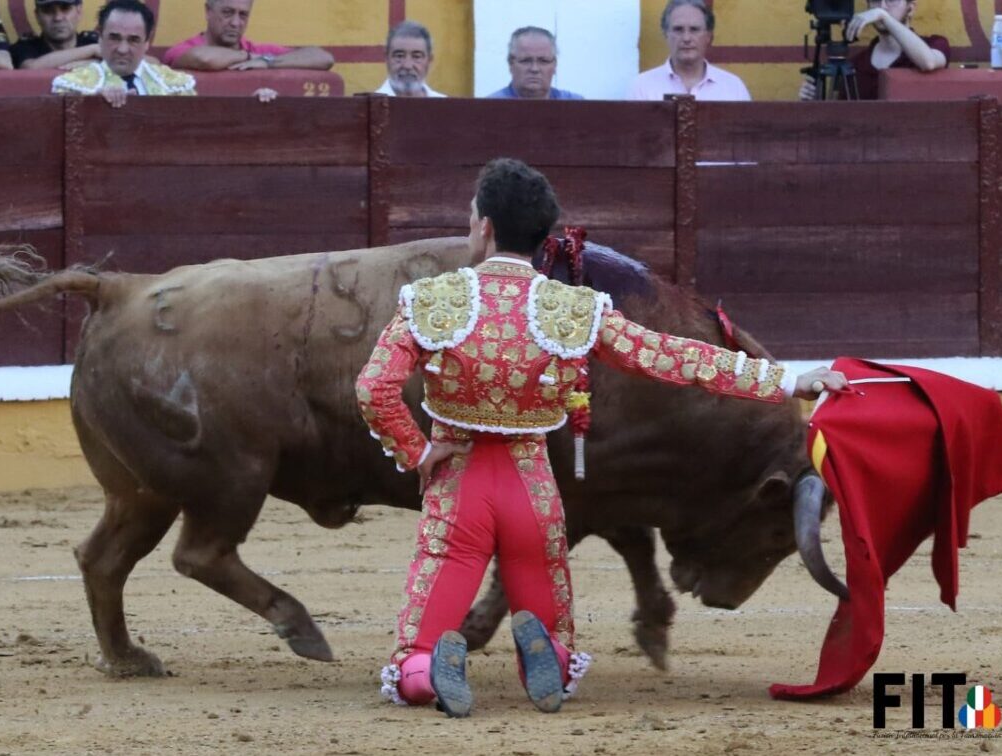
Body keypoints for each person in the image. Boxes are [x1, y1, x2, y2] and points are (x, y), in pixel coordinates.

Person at [356, 158, 847, 717]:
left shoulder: (432, 300)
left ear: (485, 227)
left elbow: (374, 389)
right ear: (541, 236)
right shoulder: (572, 310)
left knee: (420, 640)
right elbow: (672, 358)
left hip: (459, 486)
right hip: (531, 489)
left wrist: (417, 450)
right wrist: (789, 382)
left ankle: (426, 673)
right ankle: (551, 660)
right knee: (544, 603)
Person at [53, 0, 275, 107]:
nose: (122, 49)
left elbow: (205, 126)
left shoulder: (174, 84)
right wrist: (92, 105)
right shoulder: (73, 85)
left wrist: (251, 106)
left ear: (147, 43)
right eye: (114, 38)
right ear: (99, 37)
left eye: (133, 40)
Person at [798, 0, 949, 101]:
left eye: (891, 0)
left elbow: (928, 62)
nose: (882, 6)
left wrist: (884, 17)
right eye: (875, 0)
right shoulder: (855, 65)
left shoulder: (935, 43)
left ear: (911, 8)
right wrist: (814, 103)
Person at [162, 0, 334, 72]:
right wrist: (250, 57)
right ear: (208, 12)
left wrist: (267, 62)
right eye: (227, 12)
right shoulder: (183, 49)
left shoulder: (260, 51)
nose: (236, 23)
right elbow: (204, 59)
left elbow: (323, 58)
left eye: (243, 15)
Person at [628, 0, 749, 101]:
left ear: (708, 36)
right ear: (666, 34)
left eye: (694, 29)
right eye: (678, 29)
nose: (686, 38)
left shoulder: (733, 88)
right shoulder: (642, 87)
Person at [486, 26, 582, 100]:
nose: (534, 69)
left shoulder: (576, 106)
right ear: (510, 64)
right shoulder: (489, 108)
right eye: (525, 61)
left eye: (543, 61)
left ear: (555, 65)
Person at [11, 0, 100, 70]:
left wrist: (96, 63)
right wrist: (92, 50)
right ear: (37, 16)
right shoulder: (26, 47)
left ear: (78, 12)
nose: (58, 18)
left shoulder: (93, 41)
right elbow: (30, 68)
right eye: (48, 10)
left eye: (65, 8)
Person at [376, 19, 445, 97]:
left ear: (429, 60)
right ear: (386, 58)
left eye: (417, 57)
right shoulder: (369, 104)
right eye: (399, 56)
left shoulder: (444, 104)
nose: (407, 66)